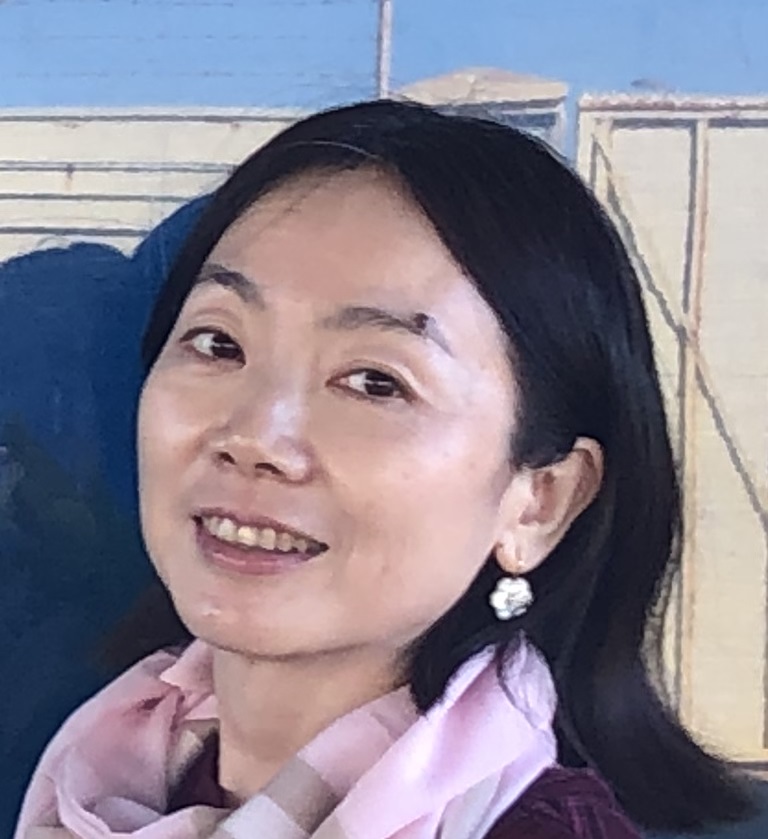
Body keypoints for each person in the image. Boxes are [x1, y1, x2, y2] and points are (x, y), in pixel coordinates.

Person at [13, 100, 755, 839]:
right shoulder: (102, 762)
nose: (256, 436)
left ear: (540, 501)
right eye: (218, 343)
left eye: (375, 382)